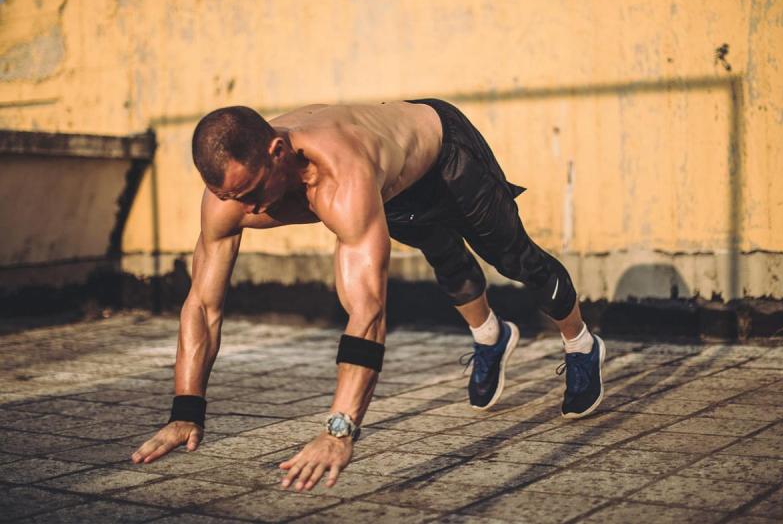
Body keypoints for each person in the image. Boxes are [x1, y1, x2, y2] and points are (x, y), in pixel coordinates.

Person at [130, 99, 606, 492]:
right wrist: (185, 410)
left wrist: (340, 429)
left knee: (514, 259)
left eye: (253, 192)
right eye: (234, 198)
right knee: (445, 258)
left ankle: (582, 344)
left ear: (278, 151)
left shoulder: (342, 176)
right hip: (397, 185)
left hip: (446, 156)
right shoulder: (230, 195)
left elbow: (367, 310)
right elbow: (203, 304)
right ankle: (490, 338)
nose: (249, 210)